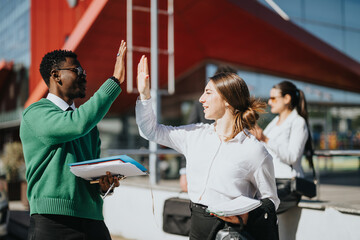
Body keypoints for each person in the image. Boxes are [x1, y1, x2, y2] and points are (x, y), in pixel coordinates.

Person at [136, 55, 280, 239]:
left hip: (232, 232)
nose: (201, 99)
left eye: (208, 92)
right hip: (197, 225)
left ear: (227, 100)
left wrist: (246, 216)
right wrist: (144, 95)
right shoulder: (194, 134)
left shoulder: (254, 150)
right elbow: (150, 131)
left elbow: (271, 200)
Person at [20, 41, 127, 240]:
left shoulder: (89, 125)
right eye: (77, 70)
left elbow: (91, 173)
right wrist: (114, 81)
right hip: (52, 222)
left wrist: (103, 185)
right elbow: (75, 124)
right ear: (55, 75)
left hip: (93, 219)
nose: (84, 75)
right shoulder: (35, 113)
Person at [251, 81, 313, 240]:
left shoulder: (298, 122)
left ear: (286, 98)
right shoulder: (274, 122)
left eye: (273, 98)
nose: (269, 102)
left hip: (288, 185)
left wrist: (265, 138)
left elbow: (292, 156)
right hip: (271, 182)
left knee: (259, 211)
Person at [179, 65, 237, 192]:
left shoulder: (242, 110)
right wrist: (184, 171)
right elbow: (188, 137)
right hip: (203, 169)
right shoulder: (200, 105)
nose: (202, 98)